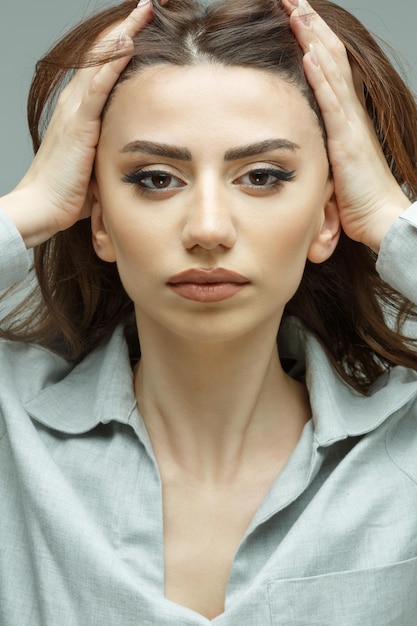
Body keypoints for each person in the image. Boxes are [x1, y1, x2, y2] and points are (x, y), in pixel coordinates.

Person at [1, 0, 417, 622]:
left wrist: (387, 215)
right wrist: (31, 203)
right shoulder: (12, 435)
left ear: (327, 217)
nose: (208, 229)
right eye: (155, 178)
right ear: (99, 221)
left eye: (263, 175)